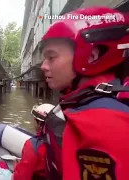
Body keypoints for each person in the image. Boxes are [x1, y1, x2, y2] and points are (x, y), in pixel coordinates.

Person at [39, 7, 129, 180]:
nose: (43, 66)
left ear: (92, 56)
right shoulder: (82, 102)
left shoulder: (101, 124)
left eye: (51, 57)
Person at [12, 103, 54, 180]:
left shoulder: (33, 145)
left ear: (38, 123)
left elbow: (21, 177)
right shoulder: (63, 142)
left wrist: (16, 167)